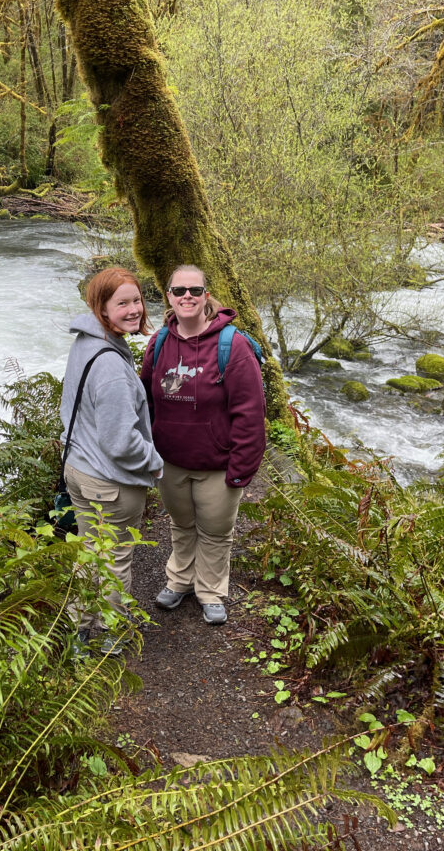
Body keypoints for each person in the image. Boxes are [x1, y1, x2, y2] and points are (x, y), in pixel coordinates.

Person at [141, 265, 266, 625]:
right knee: (182, 524)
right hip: (171, 461)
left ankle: (210, 591)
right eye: (179, 291)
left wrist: (242, 467)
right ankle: (179, 580)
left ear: (206, 296)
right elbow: (146, 399)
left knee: (214, 531)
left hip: (216, 463)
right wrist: (148, 448)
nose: (187, 297)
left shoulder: (233, 346)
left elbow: (250, 413)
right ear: (168, 296)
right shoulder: (159, 342)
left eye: (195, 291)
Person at [60, 267, 163, 652]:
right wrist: (153, 462)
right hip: (109, 482)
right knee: (115, 559)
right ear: (101, 307)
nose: (134, 309)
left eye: (137, 300)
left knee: (90, 552)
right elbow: (120, 441)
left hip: (79, 469)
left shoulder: (86, 343)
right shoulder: (111, 368)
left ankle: (78, 628)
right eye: (122, 303)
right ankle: (110, 637)